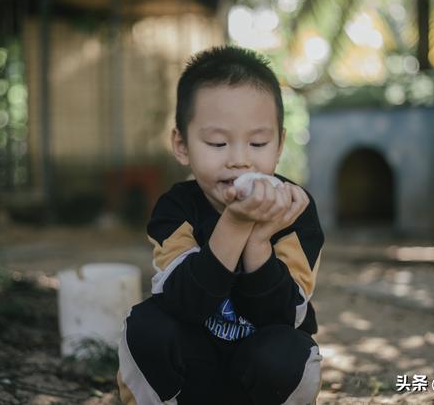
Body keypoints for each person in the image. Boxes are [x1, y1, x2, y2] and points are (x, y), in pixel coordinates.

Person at [116, 46, 325, 405]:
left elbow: (284, 316)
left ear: (279, 146)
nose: (240, 159)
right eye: (217, 143)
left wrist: (259, 241)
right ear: (182, 146)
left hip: (259, 379)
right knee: (145, 326)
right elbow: (183, 303)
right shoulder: (175, 208)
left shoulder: (294, 209)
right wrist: (234, 223)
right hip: (194, 375)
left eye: (258, 142)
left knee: (291, 351)